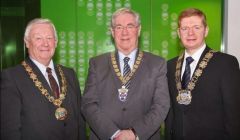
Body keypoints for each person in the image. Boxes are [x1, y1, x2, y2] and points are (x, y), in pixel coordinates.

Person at [81, 8, 170, 140]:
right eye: (119, 27)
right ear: (112, 32)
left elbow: (161, 105)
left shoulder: (157, 64)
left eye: (130, 26)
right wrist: (114, 134)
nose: (124, 32)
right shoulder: (96, 64)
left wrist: (134, 133)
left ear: (138, 30)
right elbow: (88, 104)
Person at [1, 18, 86, 140]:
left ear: (56, 42)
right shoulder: (11, 78)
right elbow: (9, 131)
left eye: (49, 38)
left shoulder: (69, 74)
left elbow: (80, 122)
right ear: (27, 42)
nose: (45, 44)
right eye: (38, 38)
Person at [165, 8, 240, 140]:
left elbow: (234, 114)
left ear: (206, 31)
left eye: (196, 27)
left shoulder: (226, 63)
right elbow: (170, 111)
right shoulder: (170, 65)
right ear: (178, 32)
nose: (190, 33)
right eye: (185, 28)